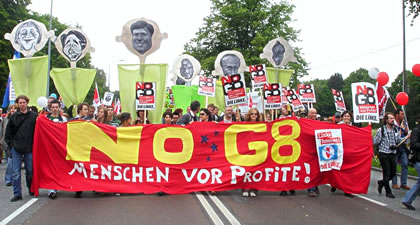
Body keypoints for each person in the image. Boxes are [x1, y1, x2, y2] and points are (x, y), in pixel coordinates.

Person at [5, 95, 38, 202]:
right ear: (17, 104)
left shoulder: (33, 116)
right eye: (20, 103)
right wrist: (11, 146)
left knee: (30, 171)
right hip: (16, 148)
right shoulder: (14, 117)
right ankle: (17, 193)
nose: (22, 104)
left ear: (27, 103)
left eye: (24, 102)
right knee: (16, 172)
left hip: (29, 147)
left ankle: (30, 188)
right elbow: (8, 134)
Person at [374, 112, 404, 198]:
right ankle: (388, 191)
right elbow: (375, 141)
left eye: (393, 118)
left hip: (392, 153)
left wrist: (406, 137)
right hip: (384, 153)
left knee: (393, 172)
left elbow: (398, 140)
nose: (392, 120)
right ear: (386, 120)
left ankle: (382, 182)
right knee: (386, 173)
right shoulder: (381, 130)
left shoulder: (395, 130)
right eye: (390, 118)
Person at [46, 100, 67, 199]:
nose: (55, 109)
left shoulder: (63, 119)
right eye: (53, 107)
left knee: (58, 167)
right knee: (50, 167)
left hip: (60, 147)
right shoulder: (46, 119)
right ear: (50, 108)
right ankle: (51, 189)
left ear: (59, 108)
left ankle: (58, 185)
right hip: (49, 147)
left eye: (56, 107)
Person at [242, 108, 262, 197]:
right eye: (252, 114)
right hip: (247, 150)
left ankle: (254, 188)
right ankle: (245, 188)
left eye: (255, 114)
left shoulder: (261, 125)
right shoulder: (244, 125)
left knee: (256, 170)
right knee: (246, 170)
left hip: (258, 150)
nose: (254, 115)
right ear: (249, 115)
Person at [401, 116, 420, 210]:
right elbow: (414, 144)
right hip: (418, 159)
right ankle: (407, 200)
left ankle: (407, 200)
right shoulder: (416, 131)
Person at [391, 109, 410, 190]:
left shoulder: (404, 123)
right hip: (395, 146)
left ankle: (403, 183)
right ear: (397, 115)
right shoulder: (392, 123)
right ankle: (394, 183)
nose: (403, 116)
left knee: (405, 164)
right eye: (401, 114)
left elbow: (406, 133)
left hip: (402, 146)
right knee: (394, 165)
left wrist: (406, 132)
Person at [0, 104, 18, 186]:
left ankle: (10, 179)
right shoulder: (5, 119)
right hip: (6, 143)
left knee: (11, 161)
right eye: (11, 109)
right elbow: (2, 130)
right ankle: (9, 178)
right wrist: (1, 140)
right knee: (10, 161)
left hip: (15, 143)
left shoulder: (19, 118)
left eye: (14, 109)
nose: (13, 110)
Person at [307, 108, 320, 197]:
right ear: (308, 114)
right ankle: (311, 188)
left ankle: (314, 186)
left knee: (316, 170)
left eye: (315, 113)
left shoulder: (319, 123)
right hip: (307, 150)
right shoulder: (304, 123)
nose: (314, 115)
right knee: (309, 170)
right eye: (312, 113)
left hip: (317, 150)